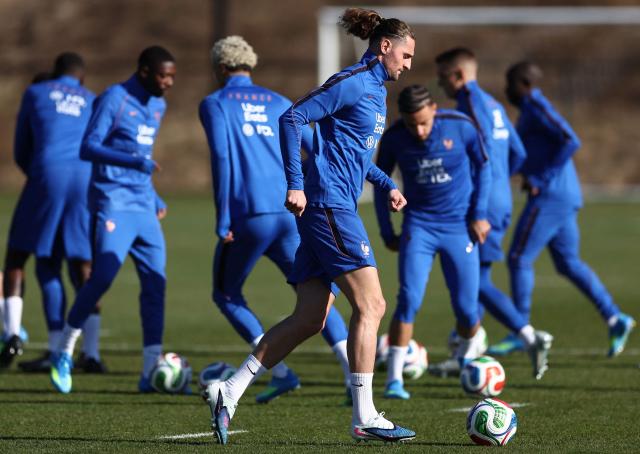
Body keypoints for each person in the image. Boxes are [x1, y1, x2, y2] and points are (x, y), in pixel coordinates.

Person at [204, 8, 416, 444]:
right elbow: (292, 118)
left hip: (334, 204)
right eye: (407, 56)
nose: (408, 65)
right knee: (372, 305)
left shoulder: (376, 91)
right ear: (385, 46)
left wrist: (384, 182)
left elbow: (352, 155)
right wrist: (296, 185)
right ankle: (365, 416)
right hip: (328, 206)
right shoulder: (353, 82)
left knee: (310, 318)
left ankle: (230, 389)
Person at [199, 36, 352, 404]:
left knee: (226, 293)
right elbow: (318, 150)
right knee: (316, 293)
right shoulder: (280, 101)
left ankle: (279, 371)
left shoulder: (215, 103)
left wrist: (223, 218)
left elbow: (222, 159)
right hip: (291, 213)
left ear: (221, 68)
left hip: (249, 215)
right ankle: (351, 375)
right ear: (250, 65)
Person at [375, 86, 554, 401]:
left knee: (467, 308)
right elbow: (380, 183)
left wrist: (479, 213)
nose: (418, 130)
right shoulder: (394, 138)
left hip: (460, 228)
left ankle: (469, 357)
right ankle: (393, 381)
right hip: (420, 227)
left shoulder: (461, 125)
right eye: (410, 123)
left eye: (423, 123)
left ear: (433, 108)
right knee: (408, 299)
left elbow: (484, 167)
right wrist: (386, 229)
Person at [49, 46, 175, 394]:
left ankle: (150, 370)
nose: (168, 83)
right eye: (163, 76)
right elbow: (87, 147)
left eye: (172, 77)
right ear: (145, 72)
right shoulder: (114, 99)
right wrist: (132, 162)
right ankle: (64, 350)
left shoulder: (159, 105)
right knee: (102, 276)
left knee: (155, 284)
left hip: (142, 204)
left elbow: (143, 158)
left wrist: (154, 195)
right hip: (112, 201)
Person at [428, 47, 553, 375]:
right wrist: (499, 179)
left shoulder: (469, 106)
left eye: (443, 77)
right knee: (473, 277)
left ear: (458, 75)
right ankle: (467, 354)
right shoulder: (494, 104)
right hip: (500, 199)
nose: (441, 85)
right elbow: (519, 152)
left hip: (478, 204)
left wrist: (476, 195)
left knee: (470, 280)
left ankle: (526, 334)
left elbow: (474, 155)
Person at [504, 61, 635, 357]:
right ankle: (615, 318)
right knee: (567, 263)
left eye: (509, 84)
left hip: (550, 196)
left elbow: (569, 140)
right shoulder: (529, 110)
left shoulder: (537, 106)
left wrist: (541, 177)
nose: (505, 90)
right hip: (563, 195)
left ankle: (520, 329)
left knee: (518, 258)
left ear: (523, 84)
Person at [1, 54, 105, 373]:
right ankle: (91, 353)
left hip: (47, 176)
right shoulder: (92, 99)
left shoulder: (36, 92)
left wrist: (39, 177)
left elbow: (21, 149)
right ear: (81, 78)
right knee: (83, 266)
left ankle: (14, 335)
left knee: (21, 258)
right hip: (85, 179)